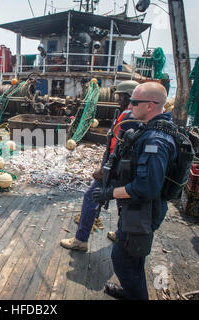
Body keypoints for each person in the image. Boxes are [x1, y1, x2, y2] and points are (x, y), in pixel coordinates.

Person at [92, 82, 177, 300]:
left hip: (143, 212)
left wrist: (109, 193)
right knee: (134, 258)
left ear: (150, 105)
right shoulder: (149, 129)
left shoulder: (155, 141)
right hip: (136, 209)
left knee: (122, 259)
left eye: (134, 102)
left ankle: (136, 295)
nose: (129, 106)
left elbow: (146, 188)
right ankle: (132, 293)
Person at [60, 80, 140, 252]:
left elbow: (122, 150)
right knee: (123, 201)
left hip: (116, 171)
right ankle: (121, 234)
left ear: (127, 97)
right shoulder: (130, 115)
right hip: (124, 171)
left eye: (120, 96)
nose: (118, 99)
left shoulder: (129, 118)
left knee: (91, 197)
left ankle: (81, 240)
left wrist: (104, 170)